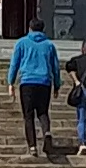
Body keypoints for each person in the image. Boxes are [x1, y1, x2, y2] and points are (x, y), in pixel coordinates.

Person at [8, 20, 60, 156]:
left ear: (30, 28)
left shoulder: (21, 43)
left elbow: (15, 64)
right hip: (44, 82)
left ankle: (32, 146)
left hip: (27, 82)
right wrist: (57, 85)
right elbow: (55, 67)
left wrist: (11, 82)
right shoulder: (49, 45)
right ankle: (46, 133)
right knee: (43, 112)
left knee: (28, 115)